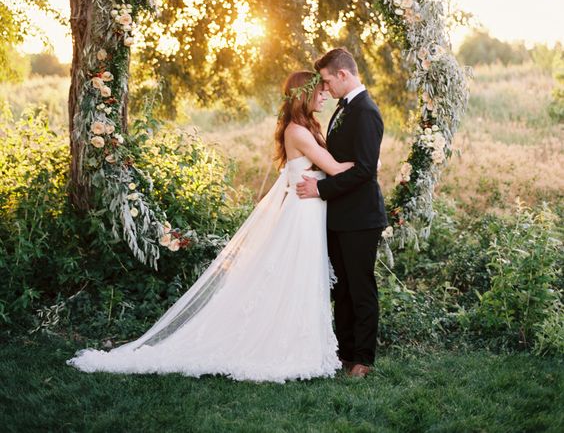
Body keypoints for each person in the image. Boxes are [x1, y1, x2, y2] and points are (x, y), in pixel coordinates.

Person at [67, 71, 354, 383]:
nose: (325, 96)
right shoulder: (298, 131)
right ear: (305, 94)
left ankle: (305, 344)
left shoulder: (304, 127)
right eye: (320, 91)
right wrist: (368, 165)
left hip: (309, 211)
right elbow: (336, 169)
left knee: (303, 275)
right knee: (296, 276)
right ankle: (287, 346)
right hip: (301, 214)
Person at [297, 47, 387, 378]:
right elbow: (339, 160)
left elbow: (365, 171)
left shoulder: (365, 111)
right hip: (338, 217)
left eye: (327, 80)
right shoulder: (343, 109)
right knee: (343, 289)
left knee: (361, 288)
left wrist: (320, 189)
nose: (325, 88)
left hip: (361, 219)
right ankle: (345, 354)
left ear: (343, 75)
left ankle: (363, 359)